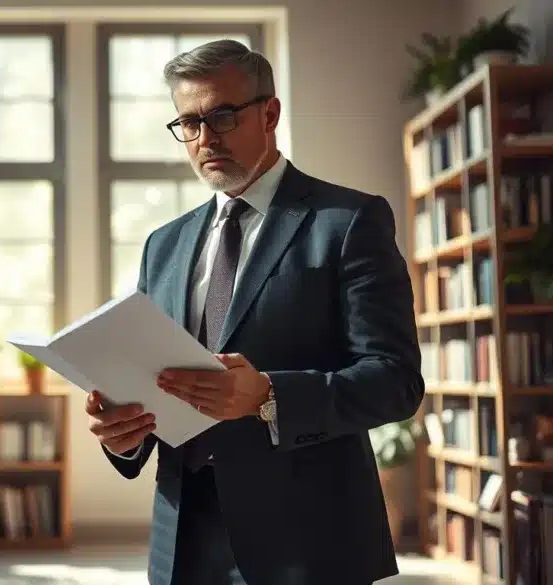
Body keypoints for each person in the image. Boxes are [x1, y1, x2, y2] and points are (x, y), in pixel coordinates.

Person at [85, 40, 424, 585]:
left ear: (270, 113)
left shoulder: (349, 221)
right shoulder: (163, 245)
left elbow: (396, 382)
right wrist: (125, 434)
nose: (205, 139)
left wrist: (268, 395)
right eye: (189, 123)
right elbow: (155, 378)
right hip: (184, 541)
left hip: (308, 540)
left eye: (221, 115)